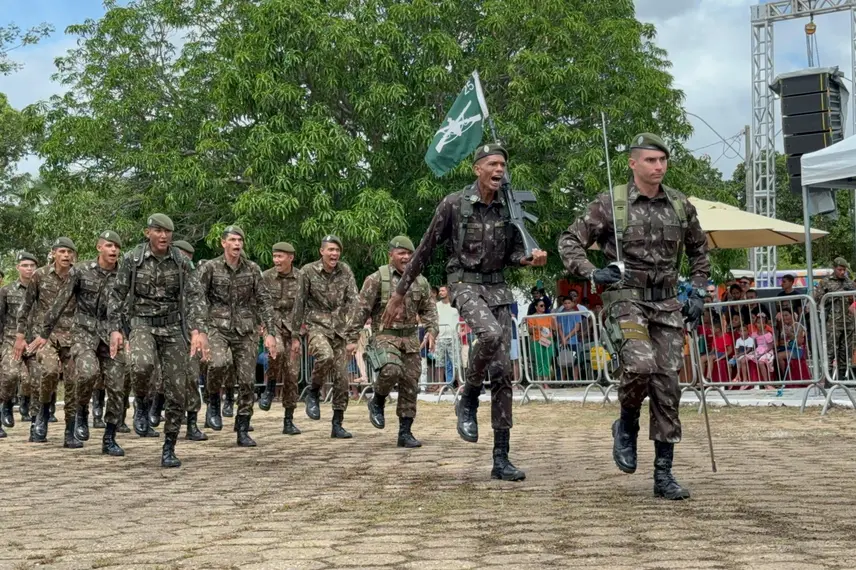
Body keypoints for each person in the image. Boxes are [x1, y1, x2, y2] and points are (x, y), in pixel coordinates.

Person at [382, 143, 547, 481]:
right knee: (489, 334)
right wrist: (399, 294)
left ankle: (501, 458)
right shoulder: (454, 204)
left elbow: (515, 253)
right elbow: (425, 249)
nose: (499, 170)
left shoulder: (508, 207)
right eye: (492, 164)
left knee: (502, 373)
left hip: (497, 288)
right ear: (477, 169)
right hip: (464, 284)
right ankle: (469, 393)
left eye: (503, 164)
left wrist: (529, 258)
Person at [558, 133, 710, 500]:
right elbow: (569, 240)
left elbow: (699, 252)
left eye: (662, 160)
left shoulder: (680, 205)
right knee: (640, 365)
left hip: (667, 303)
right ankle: (626, 423)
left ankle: (663, 474)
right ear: (633, 163)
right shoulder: (612, 203)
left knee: (667, 384)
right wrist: (592, 272)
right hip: (626, 299)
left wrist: (700, 291)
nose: (658, 167)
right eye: (651, 160)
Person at [108, 214, 207, 468]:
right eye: (158, 231)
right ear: (147, 232)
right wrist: (116, 329)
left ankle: (169, 446)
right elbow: (117, 295)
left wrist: (198, 331)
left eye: (168, 232)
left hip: (173, 328)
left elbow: (195, 297)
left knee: (178, 389)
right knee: (141, 366)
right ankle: (142, 402)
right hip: (141, 324)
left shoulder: (181, 262)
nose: (163, 236)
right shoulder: (132, 259)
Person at [32, 231, 126, 454]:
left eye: (117, 247)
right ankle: (79, 413)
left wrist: (127, 333)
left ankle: (109, 437)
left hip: (111, 333)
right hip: (83, 332)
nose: (113, 250)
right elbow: (61, 302)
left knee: (117, 384)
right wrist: (44, 333)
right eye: (109, 246)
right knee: (87, 373)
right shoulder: (81, 271)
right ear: (99, 248)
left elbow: (129, 305)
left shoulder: (124, 274)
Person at [196, 225, 278, 447]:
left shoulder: (252, 269)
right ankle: (214, 402)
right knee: (218, 363)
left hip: (246, 329)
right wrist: (199, 330)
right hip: (217, 326)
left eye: (240, 240)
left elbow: (264, 301)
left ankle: (243, 427)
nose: (237, 244)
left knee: (247, 380)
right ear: (223, 243)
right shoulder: (211, 268)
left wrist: (270, 332)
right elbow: (197, 299)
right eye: (232, 240)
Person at [354, 236, 438, 447]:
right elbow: (361, 310)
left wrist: (431, 330)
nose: (406, 257)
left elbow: (429, 309)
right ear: (390, 254)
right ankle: (378, 401)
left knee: (411, 383)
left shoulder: (420, 281)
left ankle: (405, 432)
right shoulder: (376, 279)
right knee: (391, 369)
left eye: (409, 254)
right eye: (401, 253)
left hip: (410, 339)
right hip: (384, 336)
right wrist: (350, 337)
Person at [290, 235, 361, 438]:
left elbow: (354, 302)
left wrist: (353, 336)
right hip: (317, 326)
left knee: (342, 379)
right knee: (325, 356)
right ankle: (313, 390)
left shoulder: (345, 270)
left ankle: (337, 424)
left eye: (337, 250)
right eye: (330, 250)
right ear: (322, 251)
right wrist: (295, 335)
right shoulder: (308, 272)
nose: (334, 254)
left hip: (339, 330)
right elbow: (299, 303)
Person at [14, 238, 78, 443]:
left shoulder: (78, 276)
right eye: (62, 251)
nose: (66, 256)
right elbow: (26, 305)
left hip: (72, 334)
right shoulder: (40, 275)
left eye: (69, 252)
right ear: (53, 253)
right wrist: (20, 336)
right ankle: (41, 413)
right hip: (44, 336)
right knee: (49, 371)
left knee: (73, 381)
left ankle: (70, 430)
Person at [259, 241, 303, 436]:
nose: (276, 260)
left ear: (291, 258)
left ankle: (288, 419)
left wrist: (299, 333)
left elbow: (306, 305)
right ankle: (269, 388)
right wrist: (265, 330)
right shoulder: (266, 277)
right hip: (273, 323)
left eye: (280, 256)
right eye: (275, 256)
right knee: (278, 352)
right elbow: (260, 302)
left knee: (293, 373)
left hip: (293, 327)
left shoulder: (302, 277)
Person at [172, 239, 209, 441]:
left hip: (189, 333)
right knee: (166, 379)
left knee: (192, 376)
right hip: (165, 332)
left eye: (186, 257)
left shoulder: (194, 278)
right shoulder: (163, 274)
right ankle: (152, 411)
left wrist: (200, 332)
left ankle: (192, 422)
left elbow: (200, 306)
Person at [0, 252, 39, 436]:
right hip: (11, 341)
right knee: (10, 375)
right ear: (18, 268)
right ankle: (5, 404)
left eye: (32, 265)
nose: (29, 268)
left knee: (39, 378)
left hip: (34, 343)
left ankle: (36, 424)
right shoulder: (6, 291)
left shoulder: (42, 292)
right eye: (25, 265)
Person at [433, 285, 460, 386]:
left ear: (448, 292)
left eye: (443, 291)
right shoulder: (437, 305)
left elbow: (464, 318)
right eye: (440, 291)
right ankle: (440, 386)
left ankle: (460, 385)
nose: (440, 292)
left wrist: (462, 330)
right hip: (440, 338)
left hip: (453, 337)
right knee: (439, 364)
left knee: (457, 363)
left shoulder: (455, 304)